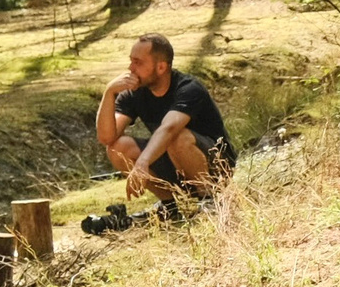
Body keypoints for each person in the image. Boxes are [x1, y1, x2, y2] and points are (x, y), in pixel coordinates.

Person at [88, 34, 233, 231]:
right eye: (131, 61)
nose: (131, 69)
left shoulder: (189, 88)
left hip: (217, 167)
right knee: (117, 147)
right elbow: (106, 137)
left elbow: (169, 129)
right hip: (176, 164)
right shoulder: (135, 92)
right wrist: (109, 92)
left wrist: (142, 163)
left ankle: (210, 200)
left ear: (161, 67)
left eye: (138, 62)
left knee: (176, 137)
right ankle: (170, 206)